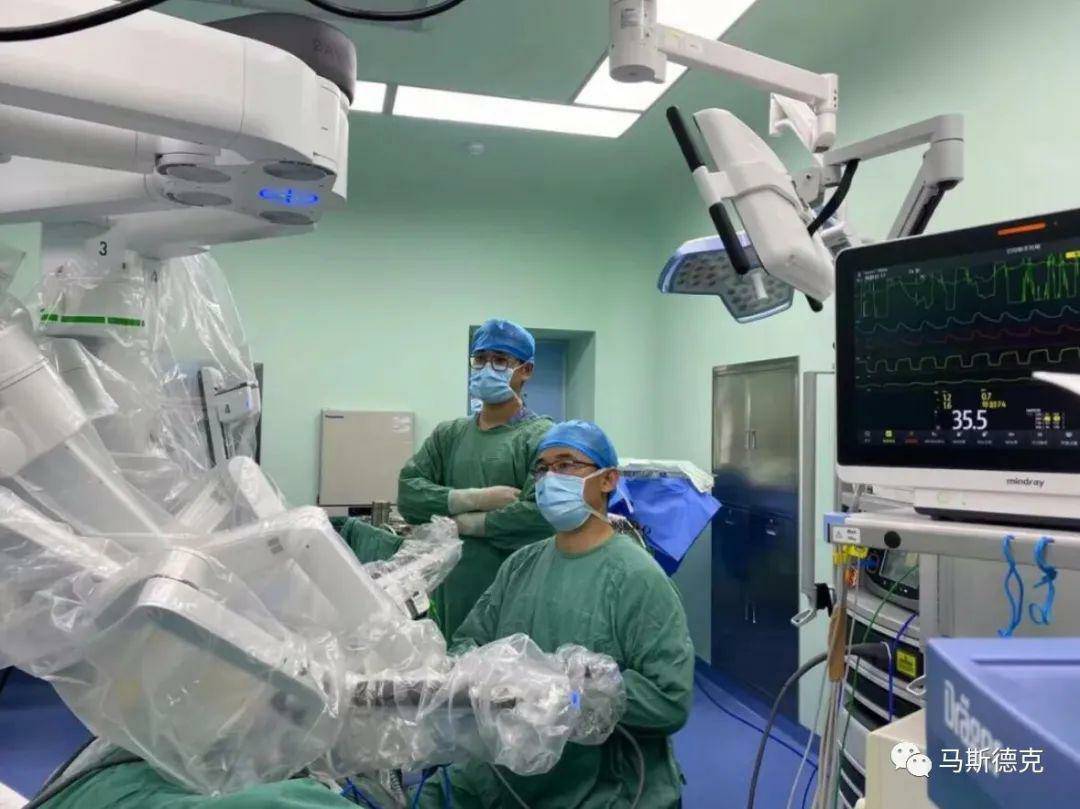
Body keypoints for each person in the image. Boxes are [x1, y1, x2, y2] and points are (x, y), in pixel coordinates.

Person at [421, 420, 695, 809]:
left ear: (608, 480)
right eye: (542, 469)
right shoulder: (522, 565)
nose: (550, 479)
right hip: (513, 773)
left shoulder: (638, 578)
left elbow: (670, 699)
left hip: (605, 788)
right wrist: (484, 677)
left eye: (566, 465)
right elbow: (470, 641)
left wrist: (571, 696)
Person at [397, 319, 554, 639]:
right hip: (451, 590)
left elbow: (539, 515)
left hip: (512, 591)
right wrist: (474, 498)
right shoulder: (449, 435)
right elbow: (409, 494)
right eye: (480, 359)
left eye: (500, 360)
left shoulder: (542, 437)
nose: (486, 368)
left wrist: (464, 524)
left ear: (526, 370)